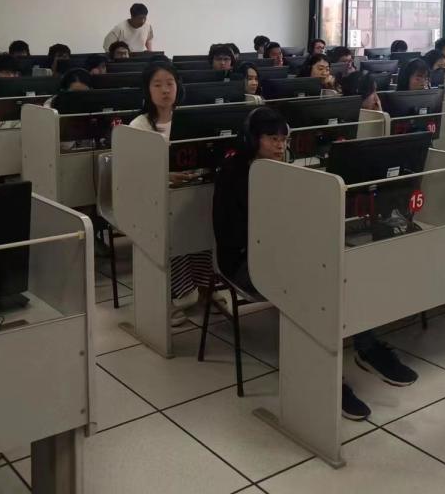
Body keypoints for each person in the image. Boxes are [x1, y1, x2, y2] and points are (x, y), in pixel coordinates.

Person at [212, 107, 416, 423]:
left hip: (289, 254)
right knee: (312, 288)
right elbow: (230, 233)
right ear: (253, 139)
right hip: (244, 261)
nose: (279, 146)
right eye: (271, 139)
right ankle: (321, 377)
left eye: (283, 140)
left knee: (344, 273)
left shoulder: (284, 170)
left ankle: (367, 349)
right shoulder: (233, 173)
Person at [128, 63, 209, 324]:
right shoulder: (138, 125)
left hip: (190, 191)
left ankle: (205, 287)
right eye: (158, 84)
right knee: (177, 232)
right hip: (153, 201)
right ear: (147, 90)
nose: (165, 90)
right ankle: (175, 296)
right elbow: (134, 172)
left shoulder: (190, 119)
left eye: (170, 83)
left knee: (206, 228)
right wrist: (165, 177)